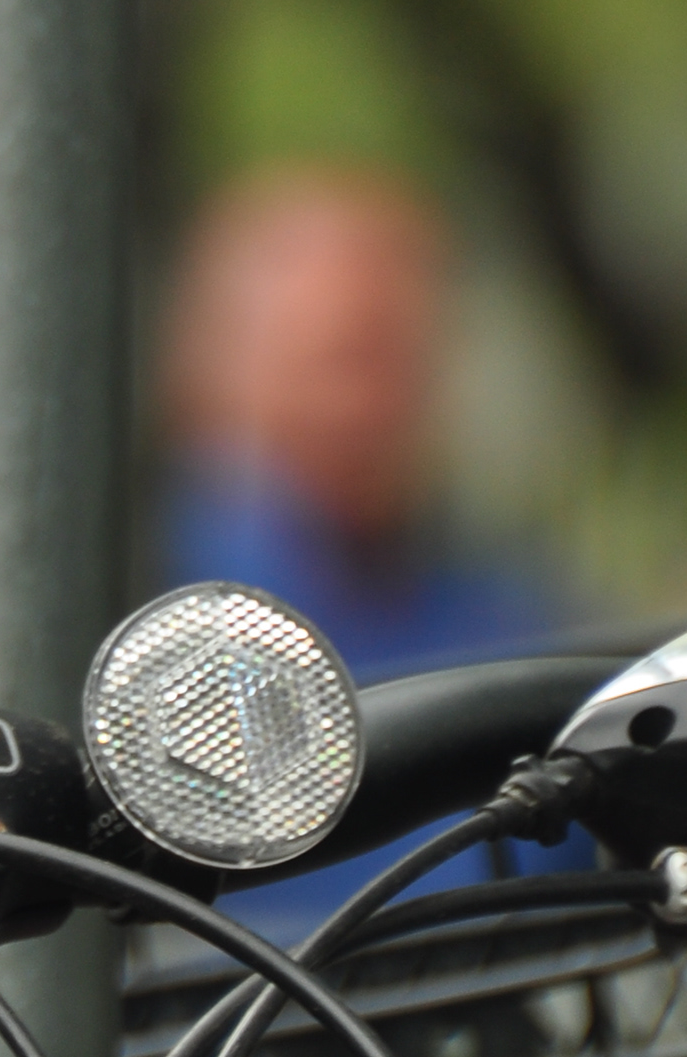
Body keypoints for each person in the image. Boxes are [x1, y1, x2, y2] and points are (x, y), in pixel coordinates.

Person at [158, 162, 558, 931]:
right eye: (344, 359)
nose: (374, 405)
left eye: (405, 359)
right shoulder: (130, 604)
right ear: (214, 367)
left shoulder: (514, 622)